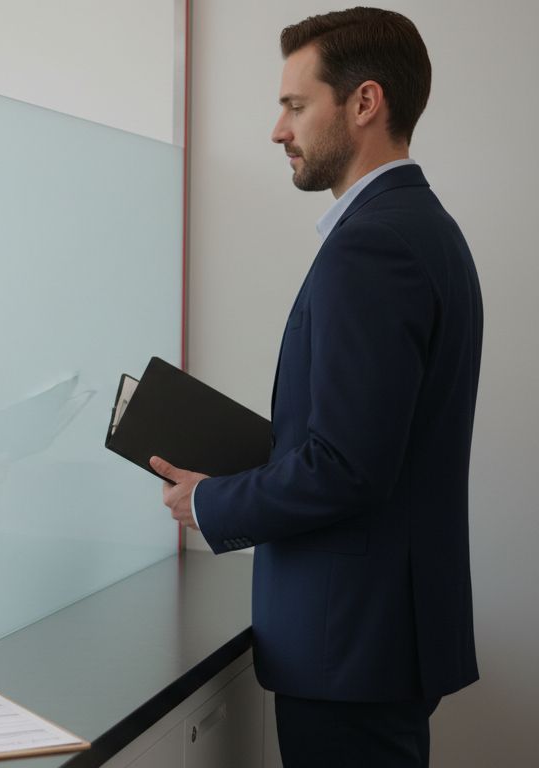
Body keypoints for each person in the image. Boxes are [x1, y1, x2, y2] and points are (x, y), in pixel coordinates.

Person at [149, 9, 482, 766]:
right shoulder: (423, 227)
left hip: (350, 647)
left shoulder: (373, 245)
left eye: (296, 106)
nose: (278, 130)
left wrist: (211, 502)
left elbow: (349, 466)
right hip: (375, 640)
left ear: (364, 103)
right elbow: (372, 441)